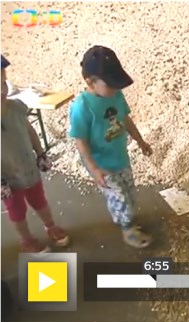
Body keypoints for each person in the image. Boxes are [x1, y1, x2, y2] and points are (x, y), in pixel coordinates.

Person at [69, 45, 153, 248]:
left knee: (130, 193)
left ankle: (127, 218)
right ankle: (127, 230)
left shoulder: (115, 95)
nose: (116, 88)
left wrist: (140, 140)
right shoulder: (82, 107)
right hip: (101, 164)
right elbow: (80, 139)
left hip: (120, 157)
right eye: (111, 84)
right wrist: (93, 168)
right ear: (90, 81)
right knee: (118, 195)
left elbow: (125, 119)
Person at [1, 55, 69, 253]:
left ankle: (51, 226)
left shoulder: (16, 108)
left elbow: (30, 130)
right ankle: (26, 239)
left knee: (40, 200)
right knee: (17, 211)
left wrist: (40, 153)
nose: (1, 90)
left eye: (3, 82)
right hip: (7, 180)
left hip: (29, 168)